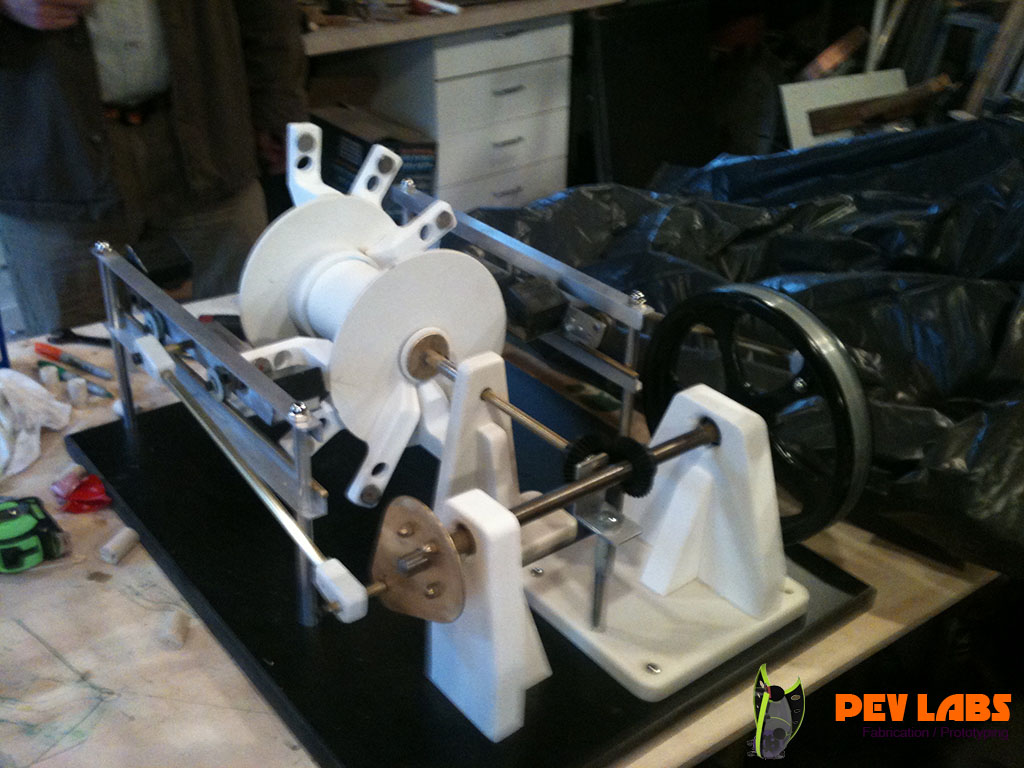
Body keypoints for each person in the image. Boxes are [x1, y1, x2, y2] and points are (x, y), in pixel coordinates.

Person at [0, 0, 307, 334]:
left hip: (209, 128)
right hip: (49, 146)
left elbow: (268, 11)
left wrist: (278, 107)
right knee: (76, 342)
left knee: (253, 322)